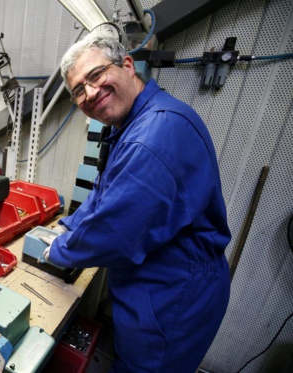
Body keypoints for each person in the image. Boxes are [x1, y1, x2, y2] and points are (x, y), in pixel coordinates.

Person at [43, 31, 231, 372]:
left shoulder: (153, 136)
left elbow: (114, 233)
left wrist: (55, 250)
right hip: (154, 283)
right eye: (78, 90)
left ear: (128, 65)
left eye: (96, 75)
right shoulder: (132, 123)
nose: (90, 93)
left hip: (173, 295)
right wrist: (68, 224)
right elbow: (105, 191)